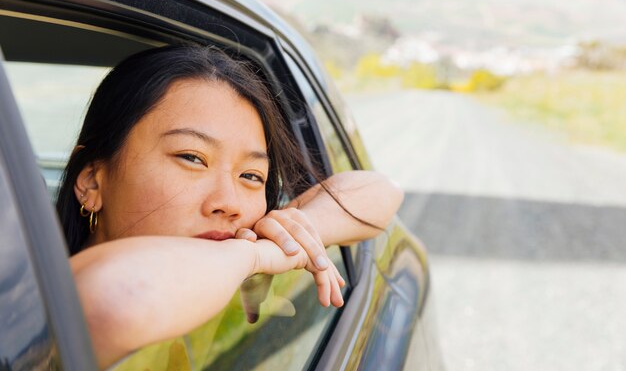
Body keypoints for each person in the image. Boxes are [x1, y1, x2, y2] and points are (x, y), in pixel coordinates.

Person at [55, 45, 403, 368]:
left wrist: (299, 230)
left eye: (251, 176)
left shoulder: (239, 249)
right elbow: (112, 301)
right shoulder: (34, 299)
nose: (230, 204)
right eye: (191, 157)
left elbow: (383, 191)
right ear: (92, 181)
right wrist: (253, 257)